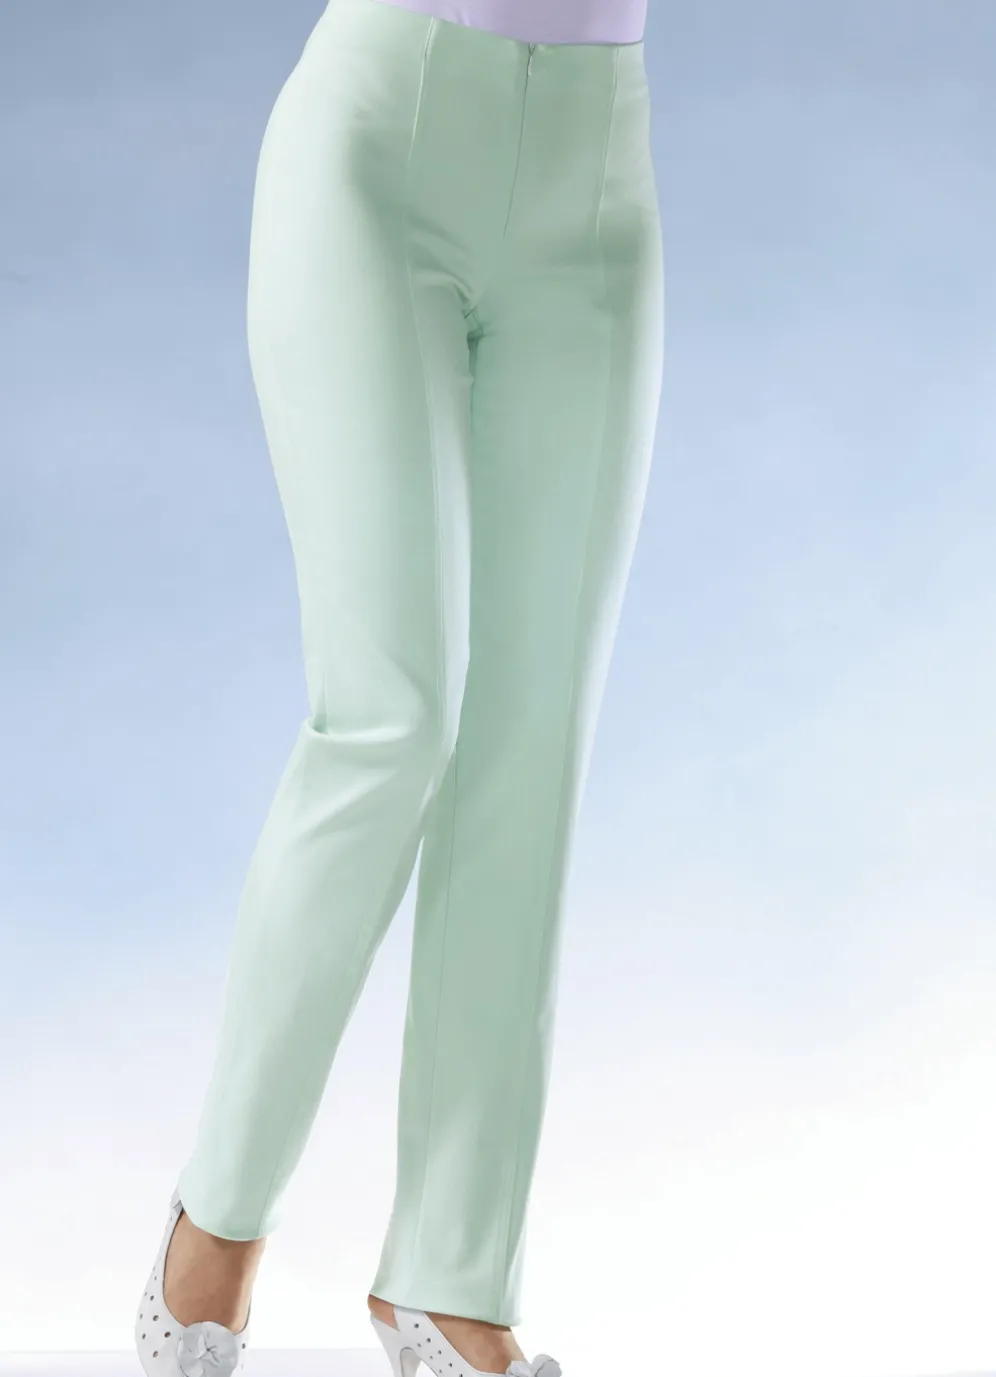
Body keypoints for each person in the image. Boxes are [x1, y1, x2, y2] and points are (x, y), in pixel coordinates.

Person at [135, 0, 661, 1373]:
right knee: (391, 718)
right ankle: (217, 1217)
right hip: (384, 133)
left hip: (598, 172)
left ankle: (450, 1280)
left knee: (531, 751)